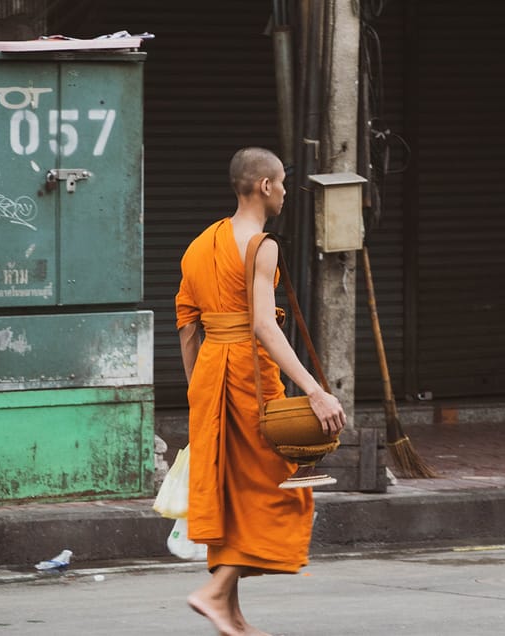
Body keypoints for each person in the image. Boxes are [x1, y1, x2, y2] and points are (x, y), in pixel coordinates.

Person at [175, 147, 346, 635]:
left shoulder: (198, 245)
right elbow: (264, 328)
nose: (287, 193)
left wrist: (198, 394)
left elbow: (187, 328)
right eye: (284, 184)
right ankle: (212, 591)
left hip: (209, 378)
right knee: (276, 487)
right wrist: (315, 391)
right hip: (249, 376)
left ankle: (229, 612)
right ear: (266, 186)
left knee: (233, 490)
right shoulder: (261, 245)